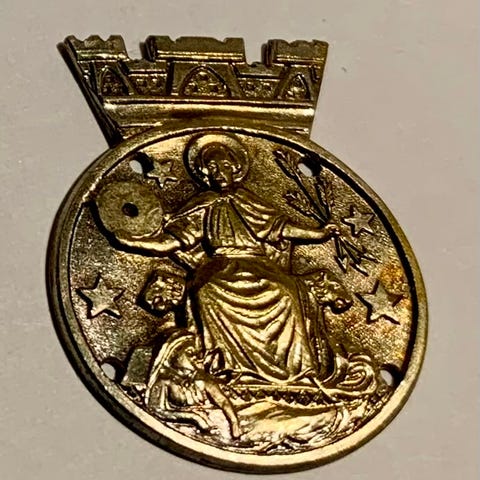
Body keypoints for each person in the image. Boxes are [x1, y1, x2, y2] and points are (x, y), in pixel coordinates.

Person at [110, 134, 340, 386]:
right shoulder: (203, 205)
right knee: (207, 291)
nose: (219, 172)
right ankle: (229, 368)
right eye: (212, 168)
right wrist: (132, 242)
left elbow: (282, 228)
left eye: (225, 166)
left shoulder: (248, 200)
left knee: (285, 294)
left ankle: (297, 372)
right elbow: (172, 241)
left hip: (258, 264)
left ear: (236, 169)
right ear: (204, 173)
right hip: (220, 266)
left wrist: (319, 234)